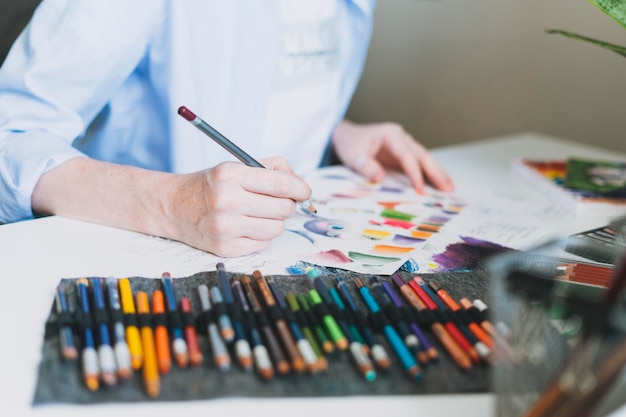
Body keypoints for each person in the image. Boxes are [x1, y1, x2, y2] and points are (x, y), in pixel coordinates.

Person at [0, 0, 454, 257]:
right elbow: (9, 138)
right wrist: (170, 204)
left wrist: (336, 131)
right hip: (144, 265)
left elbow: (261, 84)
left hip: (286, 253)